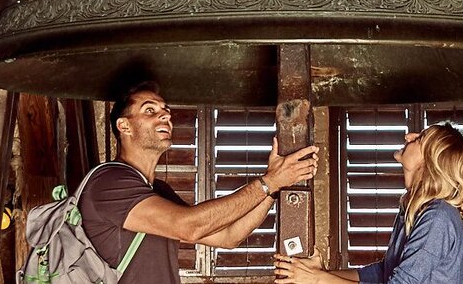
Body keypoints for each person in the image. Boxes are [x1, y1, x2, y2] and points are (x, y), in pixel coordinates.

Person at [80, 81, 318, 283]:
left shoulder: (158, 190)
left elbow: (228, 237)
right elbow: (189, 227)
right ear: (124, 126)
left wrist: (273, 188)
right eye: (150, 110)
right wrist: (268, 182)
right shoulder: (108, 182)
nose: (165, 115)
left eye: (165, 110)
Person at [274, 123, 463, 283]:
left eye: (420, 139)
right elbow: (383, 272)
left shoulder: (437, 218)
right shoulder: (415, 210)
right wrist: (322, 274)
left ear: (430, 162)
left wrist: (318, 280)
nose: (409, 136)